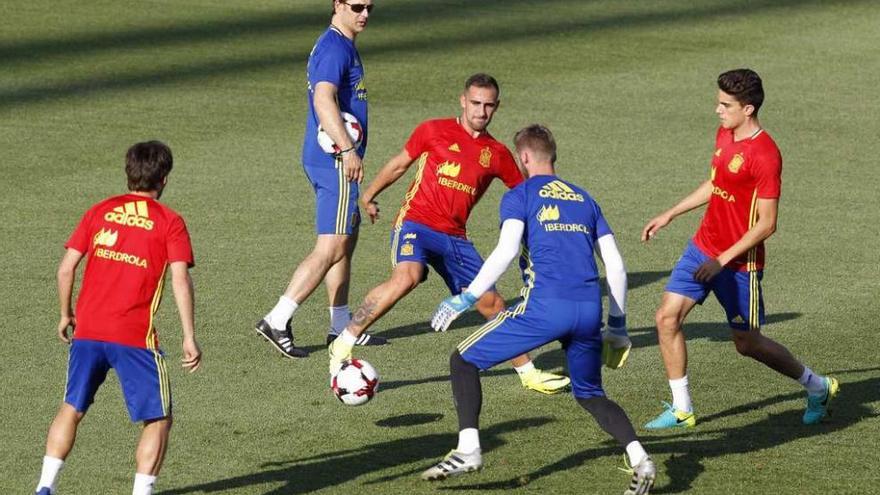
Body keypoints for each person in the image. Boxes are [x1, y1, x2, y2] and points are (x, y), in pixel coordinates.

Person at [419, 125, 655, 494]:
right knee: (589, 394)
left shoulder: (521, 195)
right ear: (553, 156)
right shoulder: (584, 199)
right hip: (589, 311)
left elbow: (507, 250)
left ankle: (468, 450)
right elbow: (617, 266)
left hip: (546, 309)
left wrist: (467, 297)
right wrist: (618, 326)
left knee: (462, 361)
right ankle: (640, 458)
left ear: (524, 158)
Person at [328, 74, 571, 394]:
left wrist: (558, 217)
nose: (481, 111)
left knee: (491, 301)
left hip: (455, 237)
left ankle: (528, 373)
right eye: (475, 103)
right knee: (408, 276)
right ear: (462, 101)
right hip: (415, 223)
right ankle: (343, 344)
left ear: (496, 107)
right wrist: (368, 194)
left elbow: (527, 192)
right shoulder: (433, 130)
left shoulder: (497, 153)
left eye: (488, 106)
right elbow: (400, 164)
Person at [641, 69, 838, 430]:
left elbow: (767, 223)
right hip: (703, 246)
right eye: (718, 102)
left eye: (725, 104)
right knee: (666, 318)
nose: (717, 110)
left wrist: (721, 260)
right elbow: (716, 183)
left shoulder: (766, 155)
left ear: (747, 108)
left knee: (747, 344)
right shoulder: (725, 133)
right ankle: (683, 408)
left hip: (737, 264)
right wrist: (670, 213)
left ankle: (817, 386)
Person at [35, 141, 202, 495]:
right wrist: (189, 336)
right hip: (134, 337)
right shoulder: (170, 222)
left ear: (128, 174)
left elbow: (66, 269)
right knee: (158, 419)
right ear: (165, 179)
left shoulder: (99, 211)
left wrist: (66, 313)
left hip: (88, 331)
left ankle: (44, 487)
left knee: (72, 407)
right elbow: (179, 280)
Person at [256, 0, 386, 358]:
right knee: (330, 247)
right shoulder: (334, 48)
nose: (365, 14)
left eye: (371, 7)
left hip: (328, 160)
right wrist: (347, 151)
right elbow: (323, 100)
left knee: (345, 241)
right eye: (357, 5)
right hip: (334, 162)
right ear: (337, 4)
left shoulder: (339, 44)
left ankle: (339, 326)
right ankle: (277, 319)